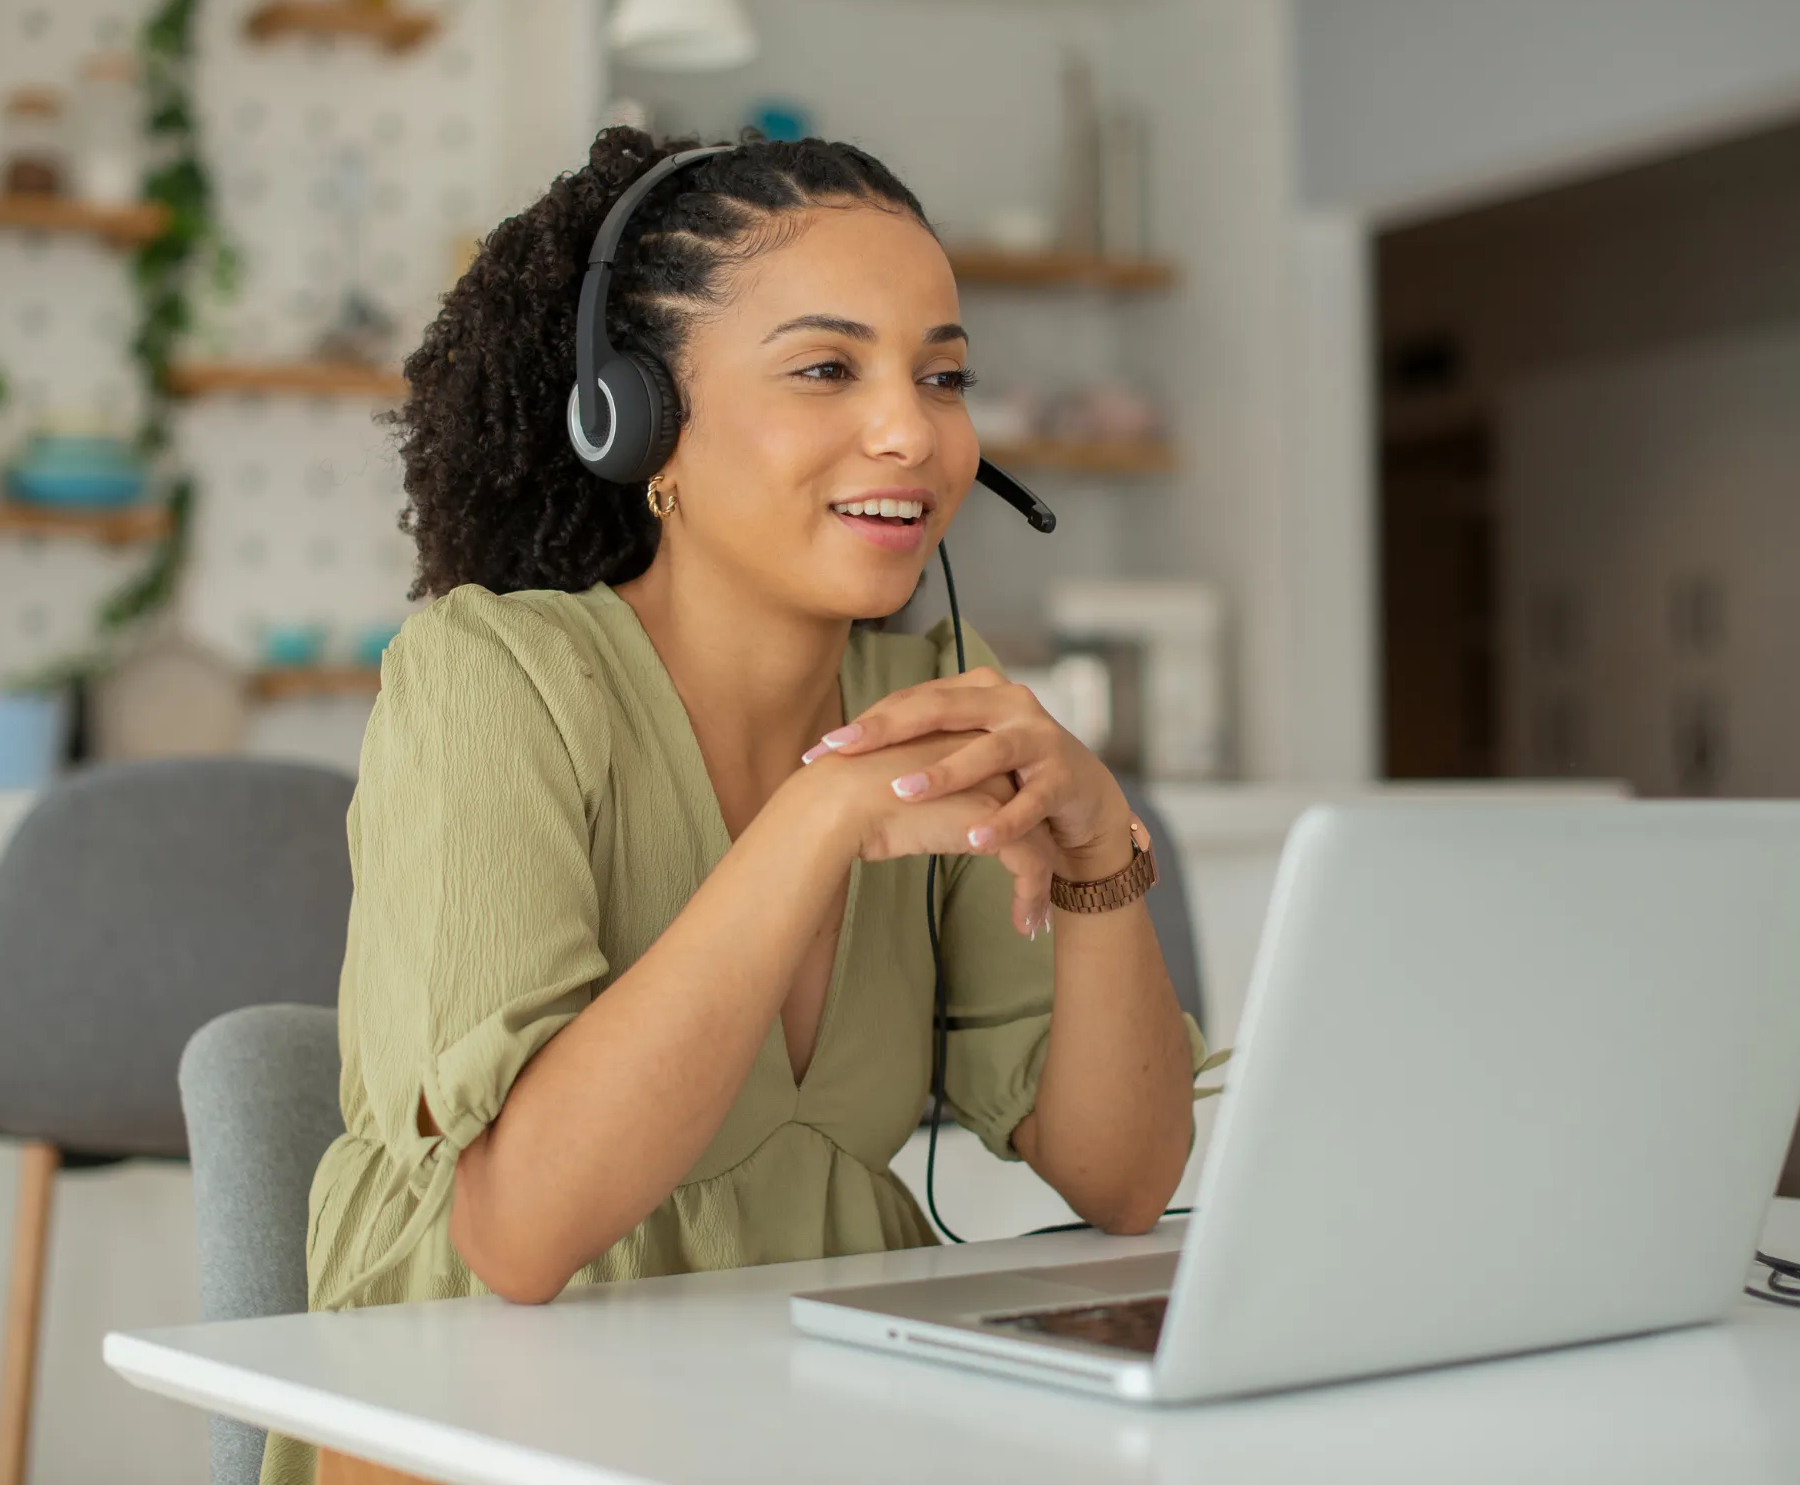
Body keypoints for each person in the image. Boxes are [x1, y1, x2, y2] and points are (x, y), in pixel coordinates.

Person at [261, 127, 1209, 1485]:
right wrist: (817, 825)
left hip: (799, 1414)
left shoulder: (945, 695)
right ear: (639, 421)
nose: (913, 430)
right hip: (478, 1423)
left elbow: (1119, 1181)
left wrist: (1104, 852)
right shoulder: (494, 679)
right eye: (828, 369)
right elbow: (524, 1236)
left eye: (943, 376)